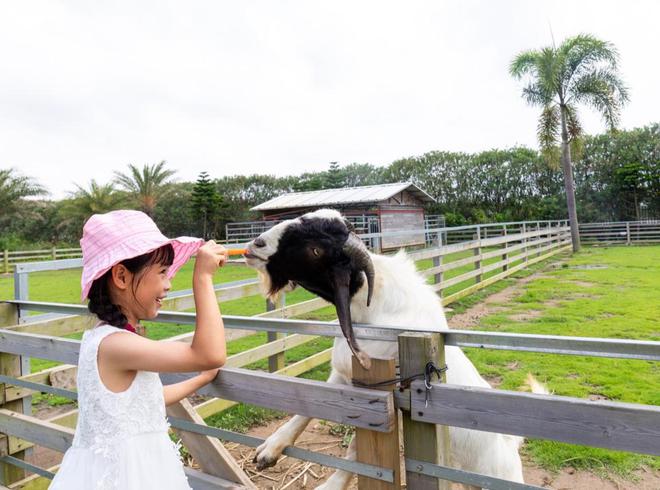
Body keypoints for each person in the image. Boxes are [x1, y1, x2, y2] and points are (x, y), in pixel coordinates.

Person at [50, 210, 228, 490]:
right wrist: (203, 278)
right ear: (121, 276)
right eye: (162, 273)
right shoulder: (116, 344)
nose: (168, 284)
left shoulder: (103, 338)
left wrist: (202, 378)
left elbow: (146, 400)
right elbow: (210, 354)